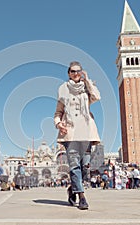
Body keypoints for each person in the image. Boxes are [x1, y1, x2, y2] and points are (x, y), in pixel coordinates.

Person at [54, 61, 101, 210]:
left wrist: (87, 80)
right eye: (72, 71)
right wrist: (58, 123)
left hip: (86, 132)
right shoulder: (63, 90)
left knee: (85, 167)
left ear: (81, 72)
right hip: (70, 132)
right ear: (68, 73)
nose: (75, 73)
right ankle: (82, 197)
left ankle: (72, 189)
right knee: (74, 167)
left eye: (78, 71)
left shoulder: (87, 89)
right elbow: (58, 113)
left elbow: (97, 97)